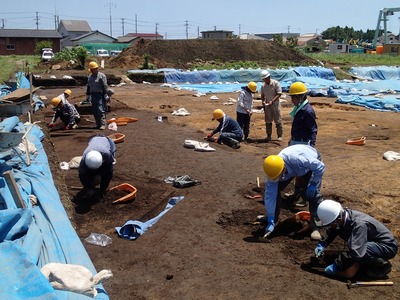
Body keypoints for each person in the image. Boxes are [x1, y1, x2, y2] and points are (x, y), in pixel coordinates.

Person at [315, 199, 398, 279]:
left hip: (387, 246)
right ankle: (366, 261)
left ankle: (381, 264)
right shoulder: (341, 218)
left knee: (361, 251)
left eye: (331, 224)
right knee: (356, 249)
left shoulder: (359, 225)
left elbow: (357, 252)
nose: (330, 226)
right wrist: (322, 243)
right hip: (372, 242)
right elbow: (333, 229)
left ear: (338, 219)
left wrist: (336, 265)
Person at [262, 144, 325, 240]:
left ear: (283, 169)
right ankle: (273, 219)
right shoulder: (273, 171)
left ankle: (315, 226)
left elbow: (320, 167)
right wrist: (270, 218)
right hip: (296, 169)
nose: (277, 179)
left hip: (311, 164)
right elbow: (270, 195)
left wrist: (313, 183)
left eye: (278, 176)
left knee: (314, 195)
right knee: (275, 189)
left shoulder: (297, 159)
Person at [285, 82, 319, 207]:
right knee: (295, 171)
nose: (292, 100)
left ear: (300, 97)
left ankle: (302, 199)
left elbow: (313, 129)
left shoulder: (307, 111)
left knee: (303, 172)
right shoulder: (299, 109)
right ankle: (296, 194)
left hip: (303, 144)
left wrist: (310, 146)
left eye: (293, 97)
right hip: (296, 141)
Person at [260, 70, 283, 142]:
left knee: (278, 120)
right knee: (268, 120)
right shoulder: (263, 86)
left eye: (266, 79)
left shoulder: (275, 83)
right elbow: (262, 95)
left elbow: (279, 94)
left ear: (269, 77)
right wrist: (263, 101)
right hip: (268, 105)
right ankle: (268, 135)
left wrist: (272, 101)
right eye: (264, 79)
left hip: (275, 104)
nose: (265, 81)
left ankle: (279, 136)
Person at [86, 61, 109, 130]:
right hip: (93, 94)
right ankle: (98, 124)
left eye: (96, 68)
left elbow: (104, 85)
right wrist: (88, 95)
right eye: (94, 69)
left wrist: (105, 94)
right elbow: (88, 86)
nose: (95, 70)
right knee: (95, 110)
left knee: (100, 109)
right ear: (91, 70)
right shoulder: (90, 77)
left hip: (100, 94)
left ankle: (103, 124)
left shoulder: (101, 76)